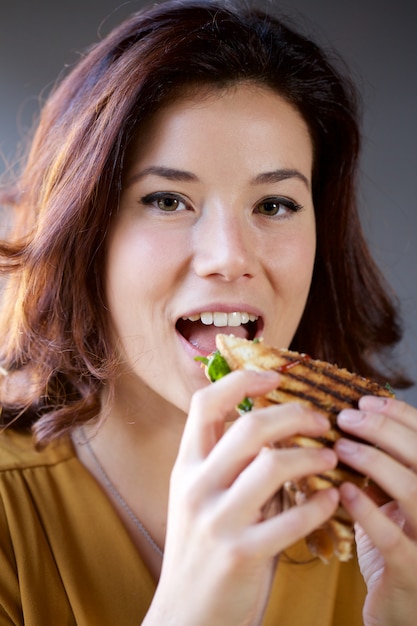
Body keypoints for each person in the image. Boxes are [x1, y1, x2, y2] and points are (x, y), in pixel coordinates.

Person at [0, 0, 416, 624]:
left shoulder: (380, 524)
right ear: (87, 233)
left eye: (274, 205)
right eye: (167, 199)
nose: (229, 257)